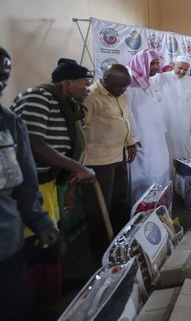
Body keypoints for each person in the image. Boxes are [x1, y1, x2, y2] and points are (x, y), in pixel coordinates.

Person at [11, 58, 96, 307]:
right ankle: (32, 301)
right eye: (84, 83)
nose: (87, 89)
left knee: (51, 239)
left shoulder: (69, 106)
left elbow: (70, 149)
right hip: (27, 187)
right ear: (66, 82)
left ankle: (52, 289)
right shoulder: (37, 98)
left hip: (49, 182)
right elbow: (34, 144)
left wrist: (71, 184)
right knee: (34, 243)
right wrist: (78, 169)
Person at [0, 47, 59, 320]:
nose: (0, 83)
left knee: (13, 307)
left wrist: (39, 220)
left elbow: (24, 182)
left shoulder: (10, 123)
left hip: (7, 242)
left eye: (4, 76)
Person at [81, 64, 136, 256]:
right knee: (99, 207)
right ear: (106, 80)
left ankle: (121, 243)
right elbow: (80, 130)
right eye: (120, 86)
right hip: (98, 161)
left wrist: (130, 143)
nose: (123, 90)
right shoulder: (90, 97)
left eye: (126, 86)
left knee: (121, 200)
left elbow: (125, 120)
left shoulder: (119, 94)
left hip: (118, 155)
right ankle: (101, 251)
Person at [126, 49, 171, 200]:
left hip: (157, 138)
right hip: (142, 140)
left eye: (157, 63)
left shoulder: (149, 81)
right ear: (141, 64)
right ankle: (145, 208)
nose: (156, 67)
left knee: (161, 168)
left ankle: (161, 205)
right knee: (146, 173)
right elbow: (127, 113)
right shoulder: (129, 84)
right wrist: (132, 139)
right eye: (152, 63)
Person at [157, 56, 191, 164]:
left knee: (185, 150)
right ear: (173, 65)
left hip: (185, 123)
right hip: (167, 123)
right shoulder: (162, 78)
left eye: (185, 69)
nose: (182, 71)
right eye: (180, 68)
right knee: (168, 151)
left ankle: (185, 172)